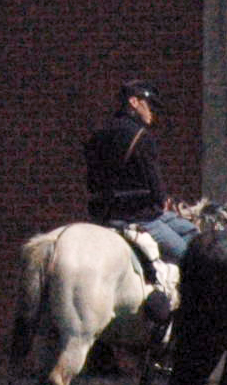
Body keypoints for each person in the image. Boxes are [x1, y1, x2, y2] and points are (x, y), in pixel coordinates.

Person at [82, 80, 195, 268]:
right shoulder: (141, 136)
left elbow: (91, 180)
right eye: (149, 105)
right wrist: (161, 200)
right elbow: (153, 181)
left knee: (188, 228)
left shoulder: (98, 134)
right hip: (139, 216)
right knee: (190, 255)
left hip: (102, 213)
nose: (153, 113)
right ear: (134, 102)